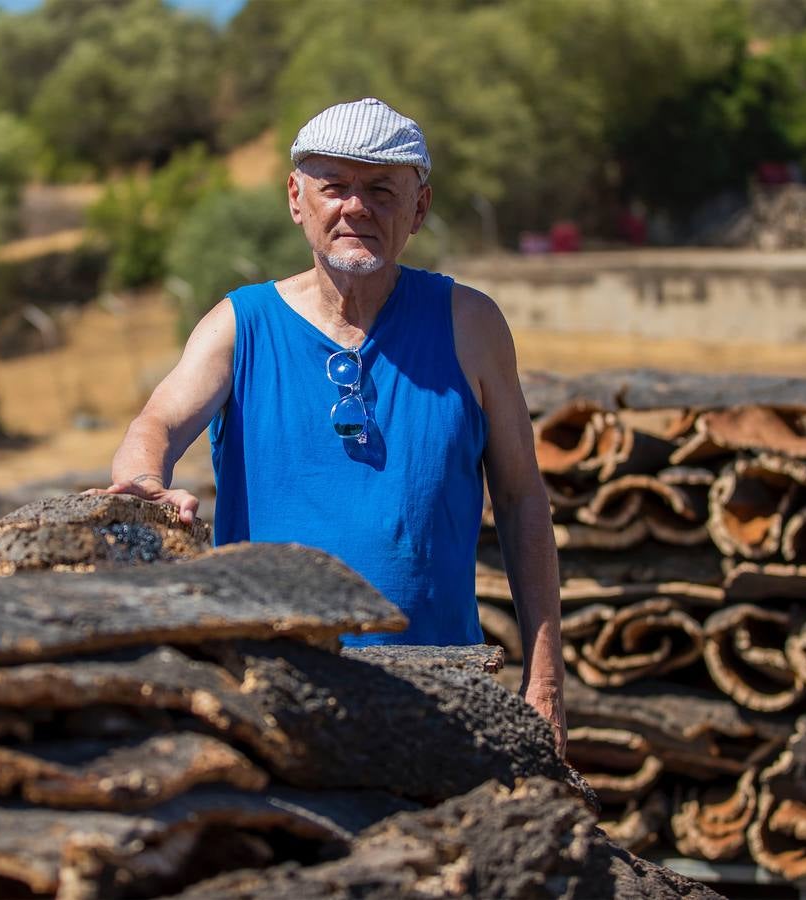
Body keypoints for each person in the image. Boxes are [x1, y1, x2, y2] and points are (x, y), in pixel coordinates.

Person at [102, 98, 566, 753]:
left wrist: (545, 677)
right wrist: (143, 478)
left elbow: (521, 499)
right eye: (334, 188)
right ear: (297, 199)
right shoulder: (242, 325)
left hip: (442, 697)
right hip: (269, 696)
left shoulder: (471, 325)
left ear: (421, 207)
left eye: (381, 190)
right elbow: (157, 421)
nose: (356, 207)